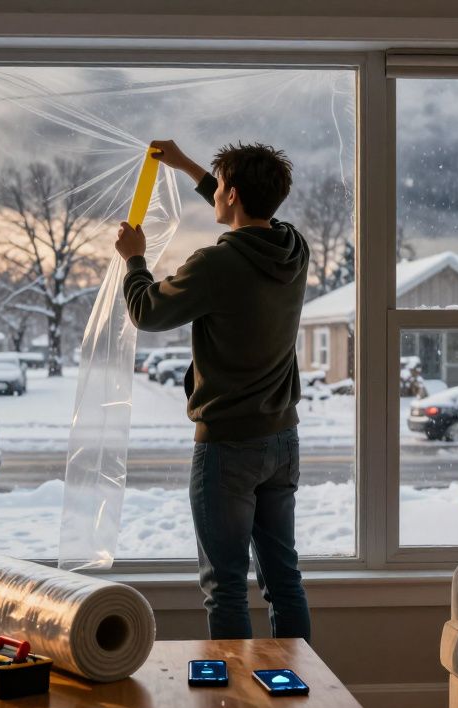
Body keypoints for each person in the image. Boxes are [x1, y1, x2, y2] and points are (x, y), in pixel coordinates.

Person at [113, 139, 311, 641]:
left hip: (228, 447)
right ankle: (303, 702)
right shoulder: (293, 248)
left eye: (220, 187)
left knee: (224, 586)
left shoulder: (215, 264)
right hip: (283, 441)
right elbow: (248, 212)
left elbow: (148, 312)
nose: (215, 193)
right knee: (283, 581)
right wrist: (188, 167)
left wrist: (134, 260)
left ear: (233, 194)